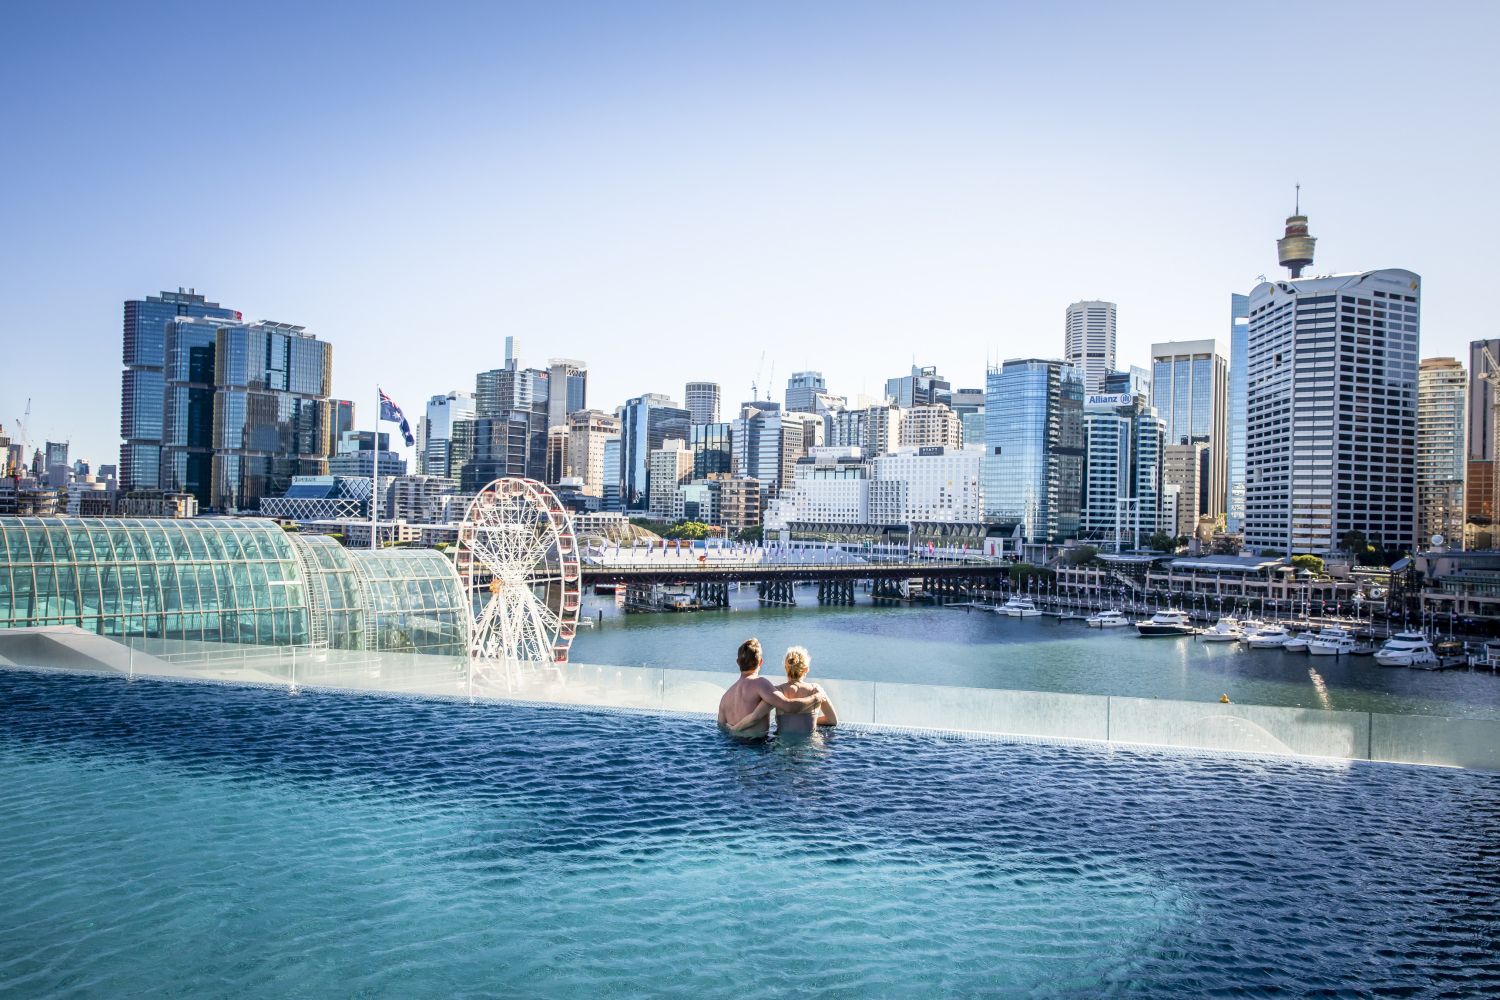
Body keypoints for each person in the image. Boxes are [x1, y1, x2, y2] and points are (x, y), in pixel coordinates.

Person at [716, 637, 824, 738]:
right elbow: (788, 706)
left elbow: (722, 729)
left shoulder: (725, 697)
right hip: (756, 747)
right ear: (761, 661)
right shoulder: (760, 683)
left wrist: (735, 730)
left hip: (732, 748)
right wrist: (815, 698)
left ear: (737, 662)